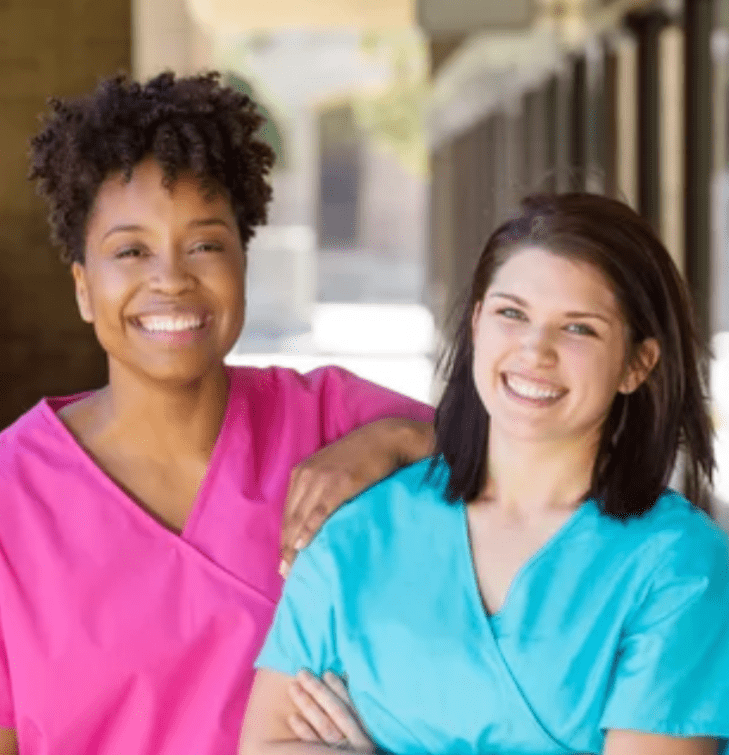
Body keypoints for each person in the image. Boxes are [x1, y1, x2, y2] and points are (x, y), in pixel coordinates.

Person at [0, 72, 434, 755]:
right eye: (130, 250)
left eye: (205, 244)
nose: (171, 278)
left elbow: (548, 472)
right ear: (82, 287)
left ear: (242, 265)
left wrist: (398, 441)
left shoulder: (335, 423)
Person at [241, 192, 729, 755]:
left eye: (579, 329)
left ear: (637, 364)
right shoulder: (359, 532)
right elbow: (267, 743)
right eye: (511, 313)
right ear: (476, 324)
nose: (535, 350)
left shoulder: (678, 565)